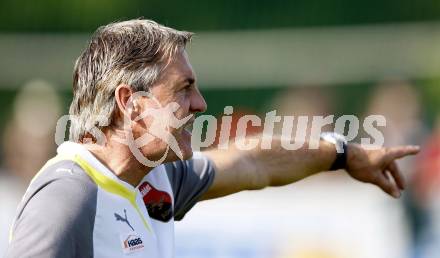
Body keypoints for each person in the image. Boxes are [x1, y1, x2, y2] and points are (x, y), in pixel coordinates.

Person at [5, 19, 419, 258]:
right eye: (183, 89)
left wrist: (343, 153)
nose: (200, 103)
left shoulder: (155, 180)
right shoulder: (69, 194)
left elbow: (253, 162)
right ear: (131, 103)